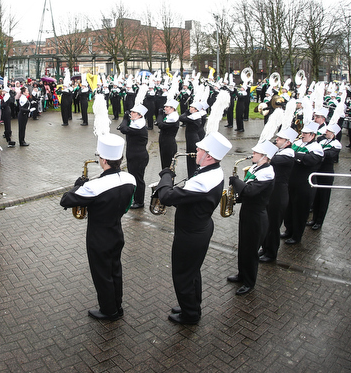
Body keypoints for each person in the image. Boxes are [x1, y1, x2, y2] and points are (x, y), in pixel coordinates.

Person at [155, 131, 231, 325]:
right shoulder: (212, 171)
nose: (196, 150)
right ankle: (191, 305)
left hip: (191, 234)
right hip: (198, 228)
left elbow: (167, 197)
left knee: (183, 274)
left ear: (210, 156)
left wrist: (166, 176)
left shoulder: (203, 181)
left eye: (201, 149)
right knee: (192, 272)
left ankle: (190, 315)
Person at [59, 134, 136, 320]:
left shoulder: (94, 186)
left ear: (103, 160)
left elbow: (66, 201)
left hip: (98, 236)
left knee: (102, 274)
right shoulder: (130, 179)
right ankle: (117, 305)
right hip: (116, 230)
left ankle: (108, 310)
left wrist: (77, 186)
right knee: (115, 269)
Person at [227, 140, 276, 295]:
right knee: (243, 246)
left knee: (251, 250)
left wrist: (236, 182)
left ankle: (249, 282)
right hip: (247, 212)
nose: (252, 154)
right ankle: (242, 274)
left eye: (256, 153)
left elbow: (250, 191)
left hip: (257, 216)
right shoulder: (256, 168)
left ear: (265, 157)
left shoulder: (267, 172)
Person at [281, 121, 323, 245]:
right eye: (303, 133)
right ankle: (288, 230)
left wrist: (293, 154)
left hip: (304, 184)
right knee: (289, 209)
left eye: (306, 133)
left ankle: (296, 235)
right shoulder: (298, 143)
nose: (303, 135)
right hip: (291, 182)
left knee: (300, 211)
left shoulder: (316, 148)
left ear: (313, 135)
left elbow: (309, 161)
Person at [260, 127, 296, 263]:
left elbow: (272, 160)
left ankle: (271, 253)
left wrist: (265, 152)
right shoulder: (280, 150)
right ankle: (265, 247)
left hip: (279, 193)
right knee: (267, 223)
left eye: (280, 139)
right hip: (272, 191)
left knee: (274, 225)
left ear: (287, 142)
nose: (276, 140)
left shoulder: (288, 154)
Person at [309, 123, 343, 230]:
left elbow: (330, 155)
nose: (325, 132)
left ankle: (319, 221)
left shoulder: (336, 144)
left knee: (324, 198)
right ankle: (314, 219)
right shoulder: (322, 141)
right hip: (318, 171)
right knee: (316, 197)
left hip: (327, 173)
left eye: (328, 131)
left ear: (333, 134)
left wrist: (319, 152)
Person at [117, 104, 149, 209]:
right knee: (134, 178)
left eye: (134, 112)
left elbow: (123, 128)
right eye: (131, 112)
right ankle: (135, 198)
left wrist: (125, 118)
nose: (131, 113)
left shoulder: (138, 126)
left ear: (140, 115)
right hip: (134, 155)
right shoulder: (136, 123)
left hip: (138, 157)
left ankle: (139, 201)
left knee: (138, 179)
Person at [179, 102, 204, 179]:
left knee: (192, 157)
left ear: (196, 110)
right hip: (191, 138)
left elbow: (181, 118)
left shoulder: (195, 117)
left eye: (192, 107)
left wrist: (186, 112)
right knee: (191, 157)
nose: (190, 108)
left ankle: (193, 175)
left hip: (192, 139)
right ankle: (191, 174)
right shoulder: (195, 115)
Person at [156, 99, 180, 169]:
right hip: (165, 142)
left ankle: (168, 179)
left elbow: (160, 124)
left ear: (172, 108)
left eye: (167, 107)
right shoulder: (170, 115)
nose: (164, 108)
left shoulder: (173, 117)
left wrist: (160, 114)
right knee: (164, 163)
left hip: (168, 143)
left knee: (167, 164)